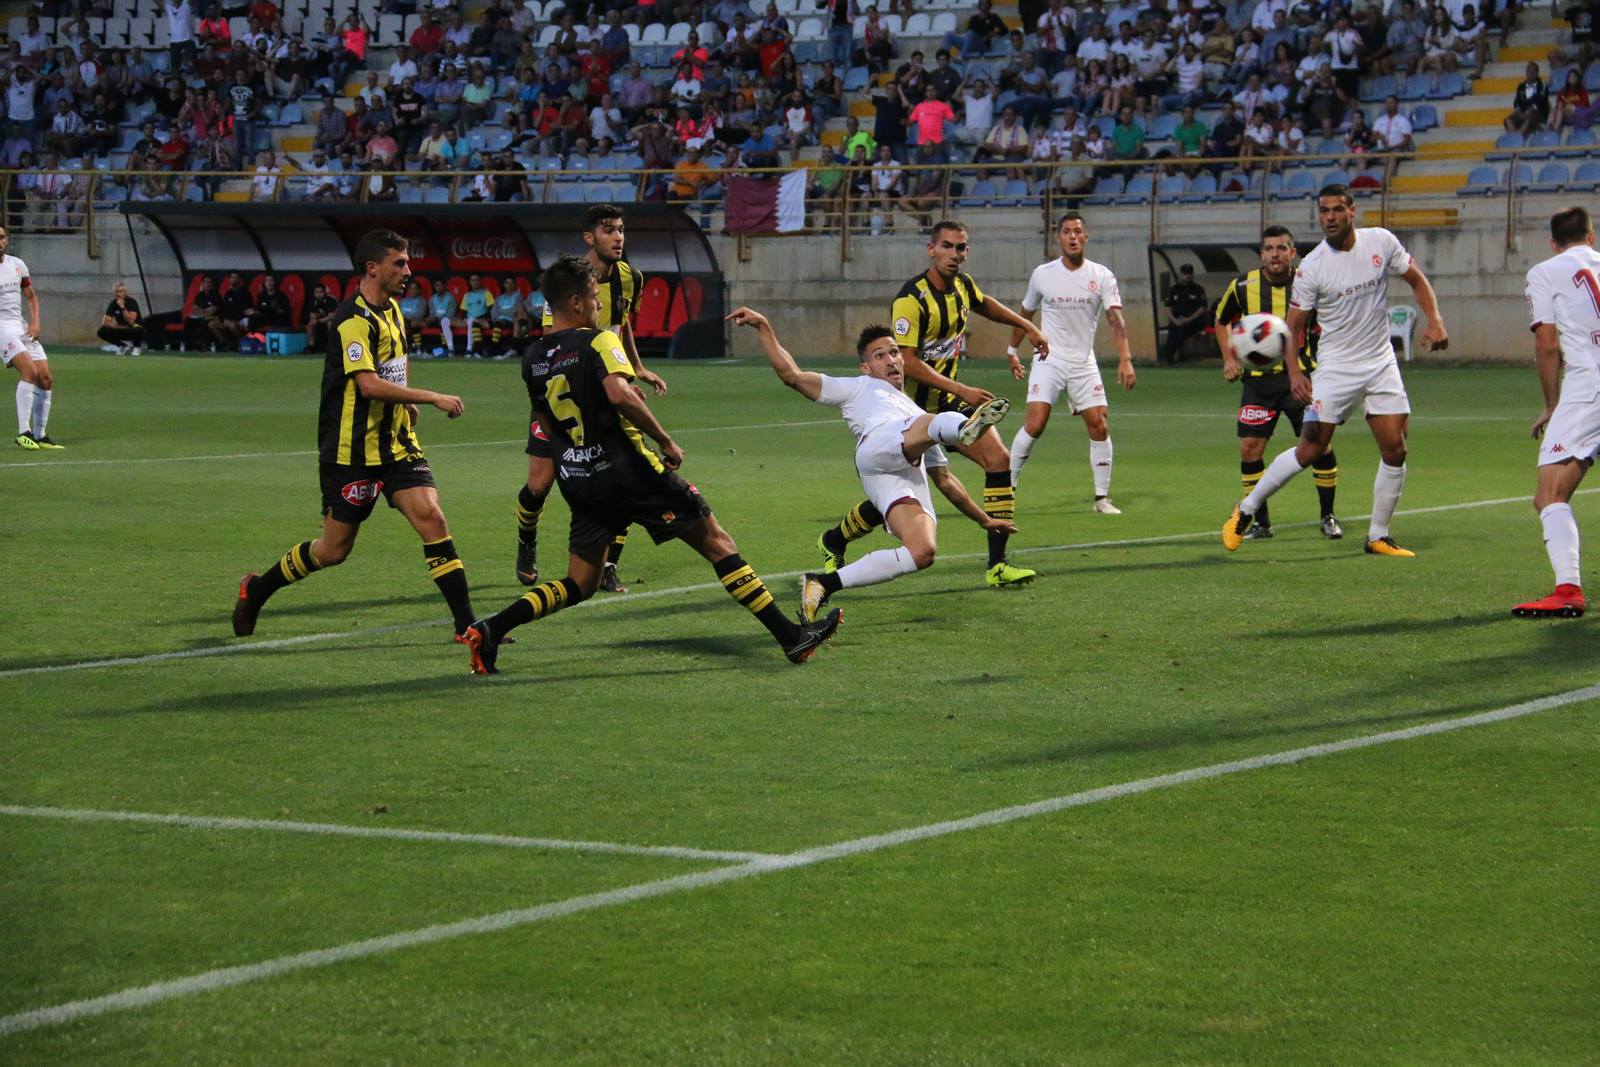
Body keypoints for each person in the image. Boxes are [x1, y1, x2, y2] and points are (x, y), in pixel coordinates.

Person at [456, 256, 841, 675]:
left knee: (579, 583)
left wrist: (574, 458)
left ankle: (491, 628)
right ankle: (791, 636)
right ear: (578, 303)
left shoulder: (533, 356)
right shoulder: (599, 341)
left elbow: (547, 425)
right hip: (630, 472)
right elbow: (621, 395)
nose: (600, 306)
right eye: (593, 298)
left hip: (579, 479)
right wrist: (664, 439)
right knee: (717, 541)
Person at [232, 229, 476, 640]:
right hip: (351, 452)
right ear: (372, 268)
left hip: (396, 445)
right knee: (334, 549)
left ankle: (467, 626)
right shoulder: (351, 320)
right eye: (399, 263)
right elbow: (367, 384)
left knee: (432, 518)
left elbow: (392, 367)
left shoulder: (394, 311)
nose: (408, 271)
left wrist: (406, 403)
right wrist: (431, 396)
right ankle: (256, 589)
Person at [729, 305, 1013, 619]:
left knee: (923, 552)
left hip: (898, 474)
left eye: (894, 352)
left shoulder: (916, 415)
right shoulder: (859, 386)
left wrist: (984, 520)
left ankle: (822, 583)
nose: (891, 359)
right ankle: (963, 428)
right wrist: (764, 327)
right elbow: (792, 376)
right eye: (880, 355)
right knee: (934, 421)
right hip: (878, 445)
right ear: (866, 366)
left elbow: (945, 480)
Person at [816, 220, 1049, 588]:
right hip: (909, 415)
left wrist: (1028, 326)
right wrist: (964, 388)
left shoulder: (963, 287)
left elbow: (986, 304)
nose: (955, 254)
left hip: (952, 404)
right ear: (931, 249)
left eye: (961, 248)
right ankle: (834, 540)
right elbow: (906, 361)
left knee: (999, 460)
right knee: (895, 500)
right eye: (947, 247)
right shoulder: (912, 300)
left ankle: (998, 564)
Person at [1223, 185, 1449, 556]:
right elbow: (1293, 327)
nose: (1328, 217)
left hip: (1380, 361)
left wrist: (1435, 319)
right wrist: (1296, 374)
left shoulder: (1381, 242)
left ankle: (1378, 535)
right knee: (1311, 448)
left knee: (1396, 448)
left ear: (1352, 211)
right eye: (1323, 211)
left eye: (1335, 210)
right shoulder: (1312, 266)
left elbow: (1416, 279)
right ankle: (1245, 509)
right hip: (1336, 366)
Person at [520, 204, 665, 592]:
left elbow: (623, 322)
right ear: (589, 238)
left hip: (606, 392)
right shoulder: (566, 281)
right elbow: (553, 341)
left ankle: (608, 566)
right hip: (564, 394)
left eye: (621, 230)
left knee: (624, 475)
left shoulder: (629, 277)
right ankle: (526, 541)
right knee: (539, 485)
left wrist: (634, 368)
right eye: (608, 230)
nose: (618, 237)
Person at [1214, 226, 1343, 542]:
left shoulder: (1307, 283)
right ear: (1261, 255)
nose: (1275, 254)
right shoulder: (1243, 286)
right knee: (1249, 448)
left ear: (1293, 252)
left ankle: (1328, 515)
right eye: (1269, 248)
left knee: (1320, 446)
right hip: (1258, 383)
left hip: (1301, 380)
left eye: (1282, 248)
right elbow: (1221, 320)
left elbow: (1331, 321)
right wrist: (1230, 357)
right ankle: (1261, 522)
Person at [1005, 213, 1135, 513]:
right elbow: (1024, 315)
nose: (1073, 236)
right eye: (1066, 231)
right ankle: (1006, 488)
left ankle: (1102, 499)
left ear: (1086, 237)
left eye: (1078, 231)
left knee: (1099, 424)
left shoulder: (1102, 275)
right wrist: (1012, 350)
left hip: (1082, 361)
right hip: (1048, 357)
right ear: (1059, 238)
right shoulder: (1043, 274)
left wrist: (1125, 359)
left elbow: (1115, 319)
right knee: (1035, 423)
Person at [1512, 205, 1600, 617]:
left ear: (1553, 243)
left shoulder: (1544, 272)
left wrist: (1552, 404)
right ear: (1591, 235)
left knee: (1549, 494)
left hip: (1589, 387)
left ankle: (1567, 590)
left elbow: (1547, 344)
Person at [0, 226, 60, 450]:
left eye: (2, 237)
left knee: (45, 378)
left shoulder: (17, 265)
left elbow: (32, 297)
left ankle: (40, 434)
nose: (0, 242)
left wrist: (35, 321)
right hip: (1, 329)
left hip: (20, 326)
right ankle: (23, 432)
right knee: (30, 372)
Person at [1161, 263, 1209, 365]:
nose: (1187, 275)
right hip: (1177, 320)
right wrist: (1175, 320)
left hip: (1194, 321)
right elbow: (1167, 307)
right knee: (1173, 331)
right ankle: (1169, 357)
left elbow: (1202, 308)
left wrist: (1188, 319)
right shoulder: (1175, 289)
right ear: (1181, 274)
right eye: (1185, 273)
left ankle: (1176, 356)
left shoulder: (1198, 289)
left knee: (1181, 331)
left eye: (1189, 273)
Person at [98, 281, 144, 356]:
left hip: (134, 329)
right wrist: (120, 326)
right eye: (116, 292)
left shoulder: (131, 302)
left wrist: (122, 307)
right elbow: (105, 322)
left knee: (136, 328)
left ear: (125, 292)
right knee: (101, 331)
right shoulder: (113, 303)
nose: (118, 294)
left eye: (120, 291)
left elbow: (131, 321)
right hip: (122, 328)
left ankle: (137, 347)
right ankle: (122, 345)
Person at [304, 279, 338, 351]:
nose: (318, 294)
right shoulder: (313, 302)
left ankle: (331, 346)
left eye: (320, 292)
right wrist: (314, 320)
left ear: (324, 292)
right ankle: (311, 345)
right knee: (310, 324)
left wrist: (319, 320)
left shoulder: (330, 300)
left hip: (334, 322)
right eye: (316, 292)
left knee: (330, 323)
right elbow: (312, 316)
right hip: (320, 322)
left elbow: (332, 316)